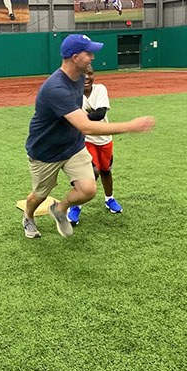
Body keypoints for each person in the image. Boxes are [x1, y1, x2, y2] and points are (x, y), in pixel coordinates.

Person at [22, 34, 155, 239]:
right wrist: (130, 126)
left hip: (72, 146)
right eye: (88, 53)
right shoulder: (56, 88)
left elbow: (78, 115)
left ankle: (60, 209)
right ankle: (29, 217)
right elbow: (87, 127)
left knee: (88, 189)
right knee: (40, 194)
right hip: (46, 151)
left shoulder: (80, 78)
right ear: (75, 57)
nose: (93, 57)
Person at [67, 68, 121, 227]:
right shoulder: (73, 94)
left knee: (105, 170)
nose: (87, 77)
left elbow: (100, 114)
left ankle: (109, 198)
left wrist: (79, 119)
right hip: (86, 140)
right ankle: (76, 206)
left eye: (90, 73)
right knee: (92, 172)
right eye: (83, 74)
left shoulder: (100, 89)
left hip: (104, 139)